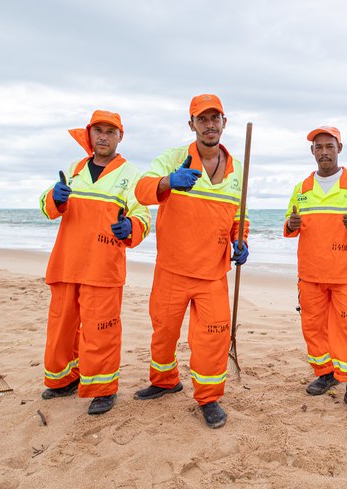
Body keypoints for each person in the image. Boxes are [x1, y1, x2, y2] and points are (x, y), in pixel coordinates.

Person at [132, 94, 249, 429]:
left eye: (215, 119)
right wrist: (170, 181)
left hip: (213, 271)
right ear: (191, 124)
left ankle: (209, 398)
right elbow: (141, 190)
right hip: (173, 267)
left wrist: (239, 240)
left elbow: (238, 217)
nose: (209, 125)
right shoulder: (173, 157)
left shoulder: (238, 170)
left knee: (213, 336)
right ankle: (165, 380)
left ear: (224, 123)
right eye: (202, 119)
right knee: (164, 331)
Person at [39, 110, 151, 415]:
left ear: (120, 137)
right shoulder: (73, 169)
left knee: (101, 329)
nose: (103, 136)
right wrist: (55, 197)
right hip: (66, 262)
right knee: (61, 326)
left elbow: (143, 216)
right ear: (89, 134)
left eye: (110, 131)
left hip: (103, 267)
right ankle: (63, 379)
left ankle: (103, 389)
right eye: (98, 130)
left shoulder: (132, 175)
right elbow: (46, 209)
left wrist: (131, 227)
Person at [283, 126, 347, 413]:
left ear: (340, 148)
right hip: (311, 274)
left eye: (329, 146)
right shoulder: (301, 188)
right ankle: (325, 374)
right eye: (319, 147)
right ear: (312, 152)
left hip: (346, 274)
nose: (324, 152)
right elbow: (290, 223)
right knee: (313, 328)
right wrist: (291, 224)